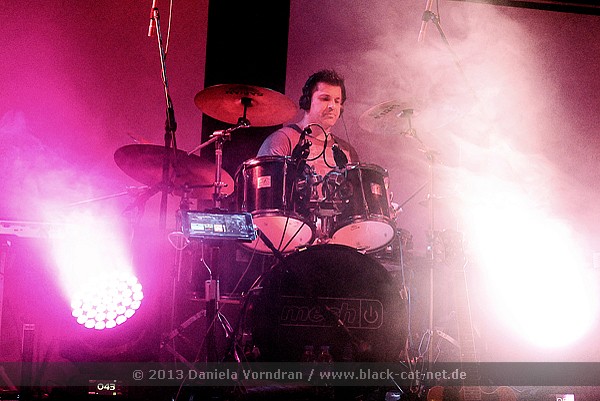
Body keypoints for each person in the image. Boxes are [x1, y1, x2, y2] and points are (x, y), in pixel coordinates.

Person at [257, 69, 359, 183]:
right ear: (307, 101)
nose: (332, 106)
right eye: (325, 99)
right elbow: (265, 190)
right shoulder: (281, 140)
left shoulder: (347, 151)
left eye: (337, 101)